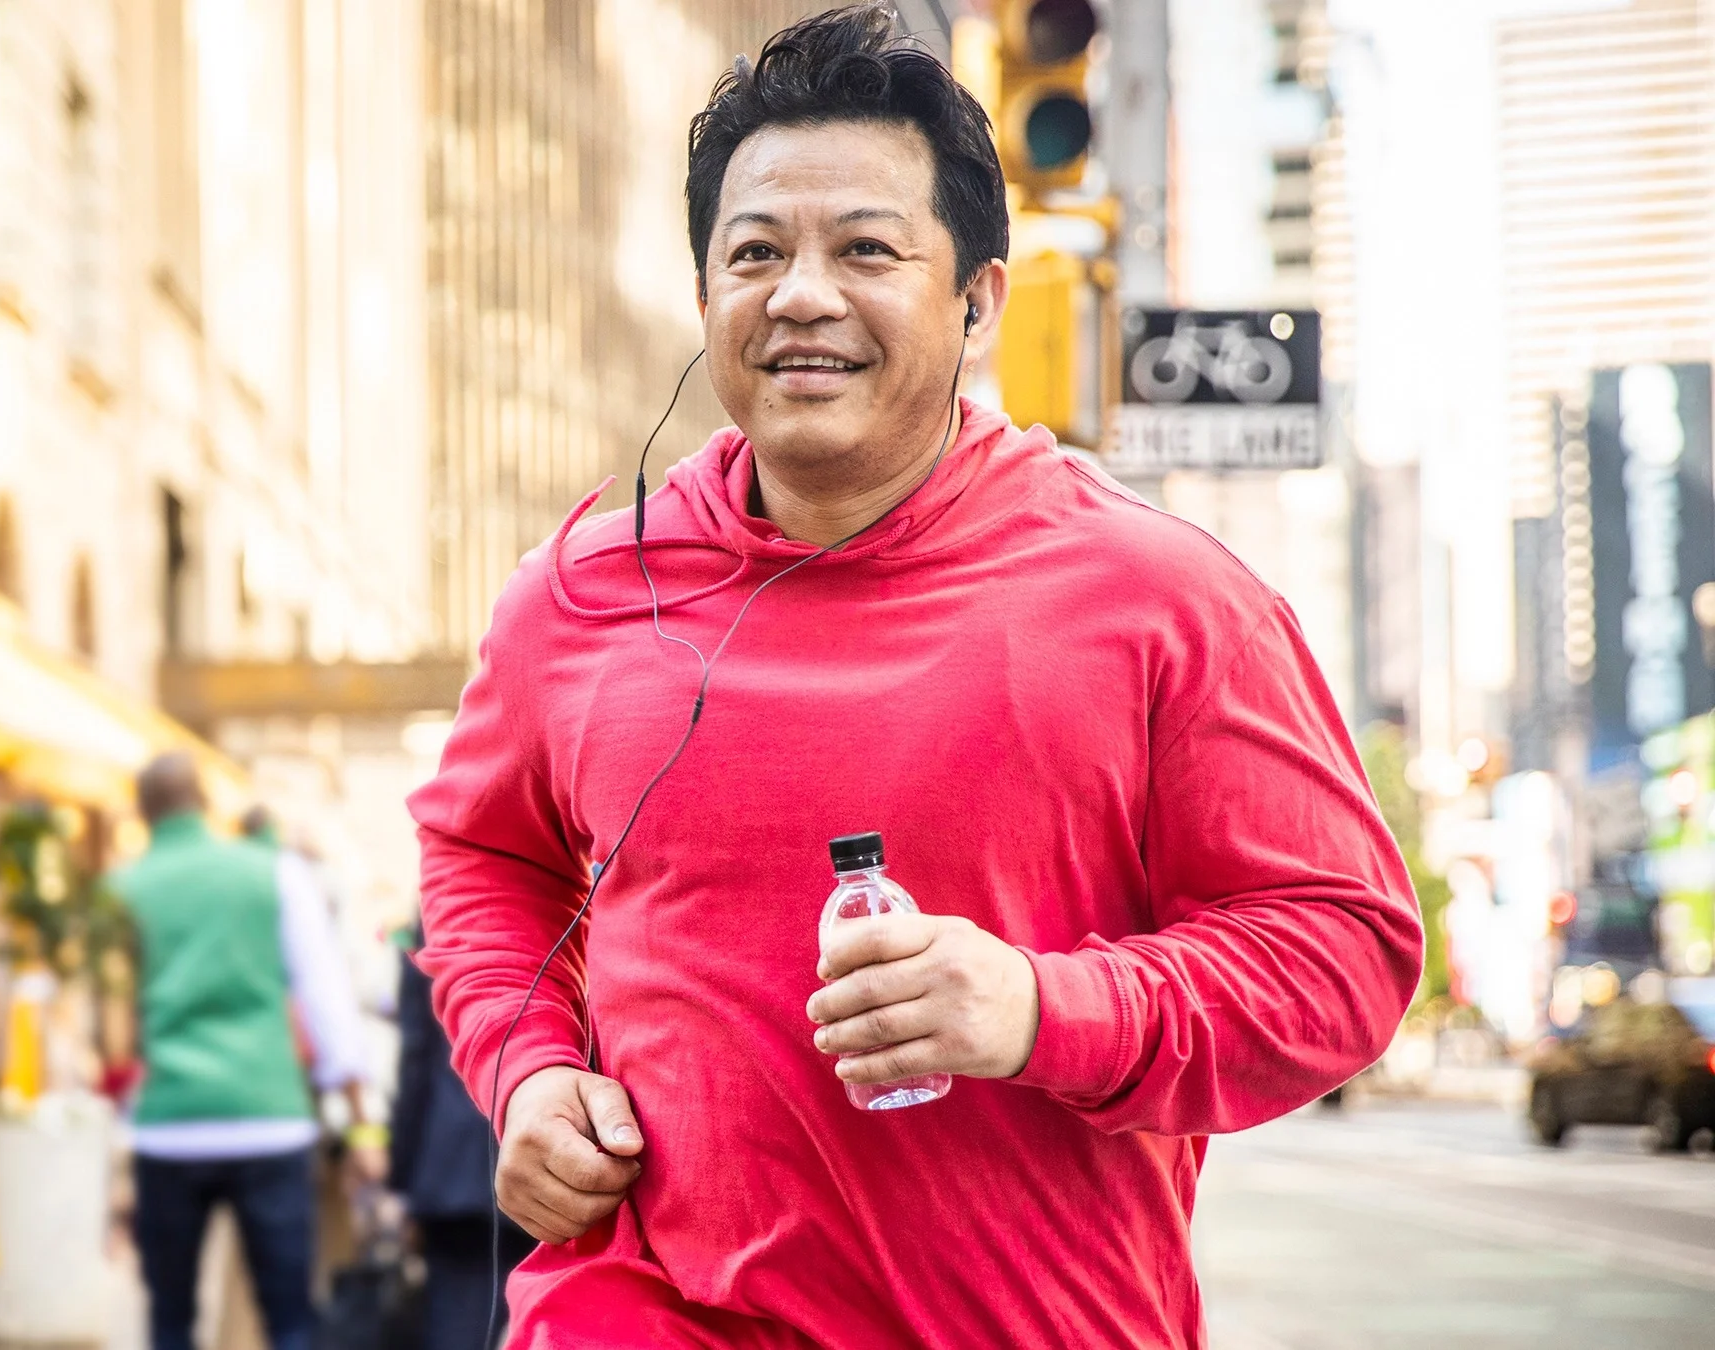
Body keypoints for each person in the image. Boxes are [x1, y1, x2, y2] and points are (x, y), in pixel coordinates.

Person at [406, 9, 1423, 1348]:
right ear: (705, 292)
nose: (801, 294)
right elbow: (482, 858)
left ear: (979, 298)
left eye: (867, 250)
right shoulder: (578, 593)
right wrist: (529, 1070)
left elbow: (1346, 953)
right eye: (754, 252)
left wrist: (1042, 1007)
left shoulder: (1168, 598)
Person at [119, 756, 381, 1350]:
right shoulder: (274, 873)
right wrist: (363, 1128)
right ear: (207, 805)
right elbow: (325, 996)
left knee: (170, 1320)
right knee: (290, 1319)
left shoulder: (124, 888)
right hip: (270, 1119)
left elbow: (114, 1023)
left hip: (168, 1127)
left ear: (143, 813)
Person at [389, 928, 537, 1347]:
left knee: (456, 1319)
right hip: (542, 1150)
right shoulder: (570, 905)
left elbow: (414, 1057)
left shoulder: (435, 921)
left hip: (449, 1165)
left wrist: (402, 1177)